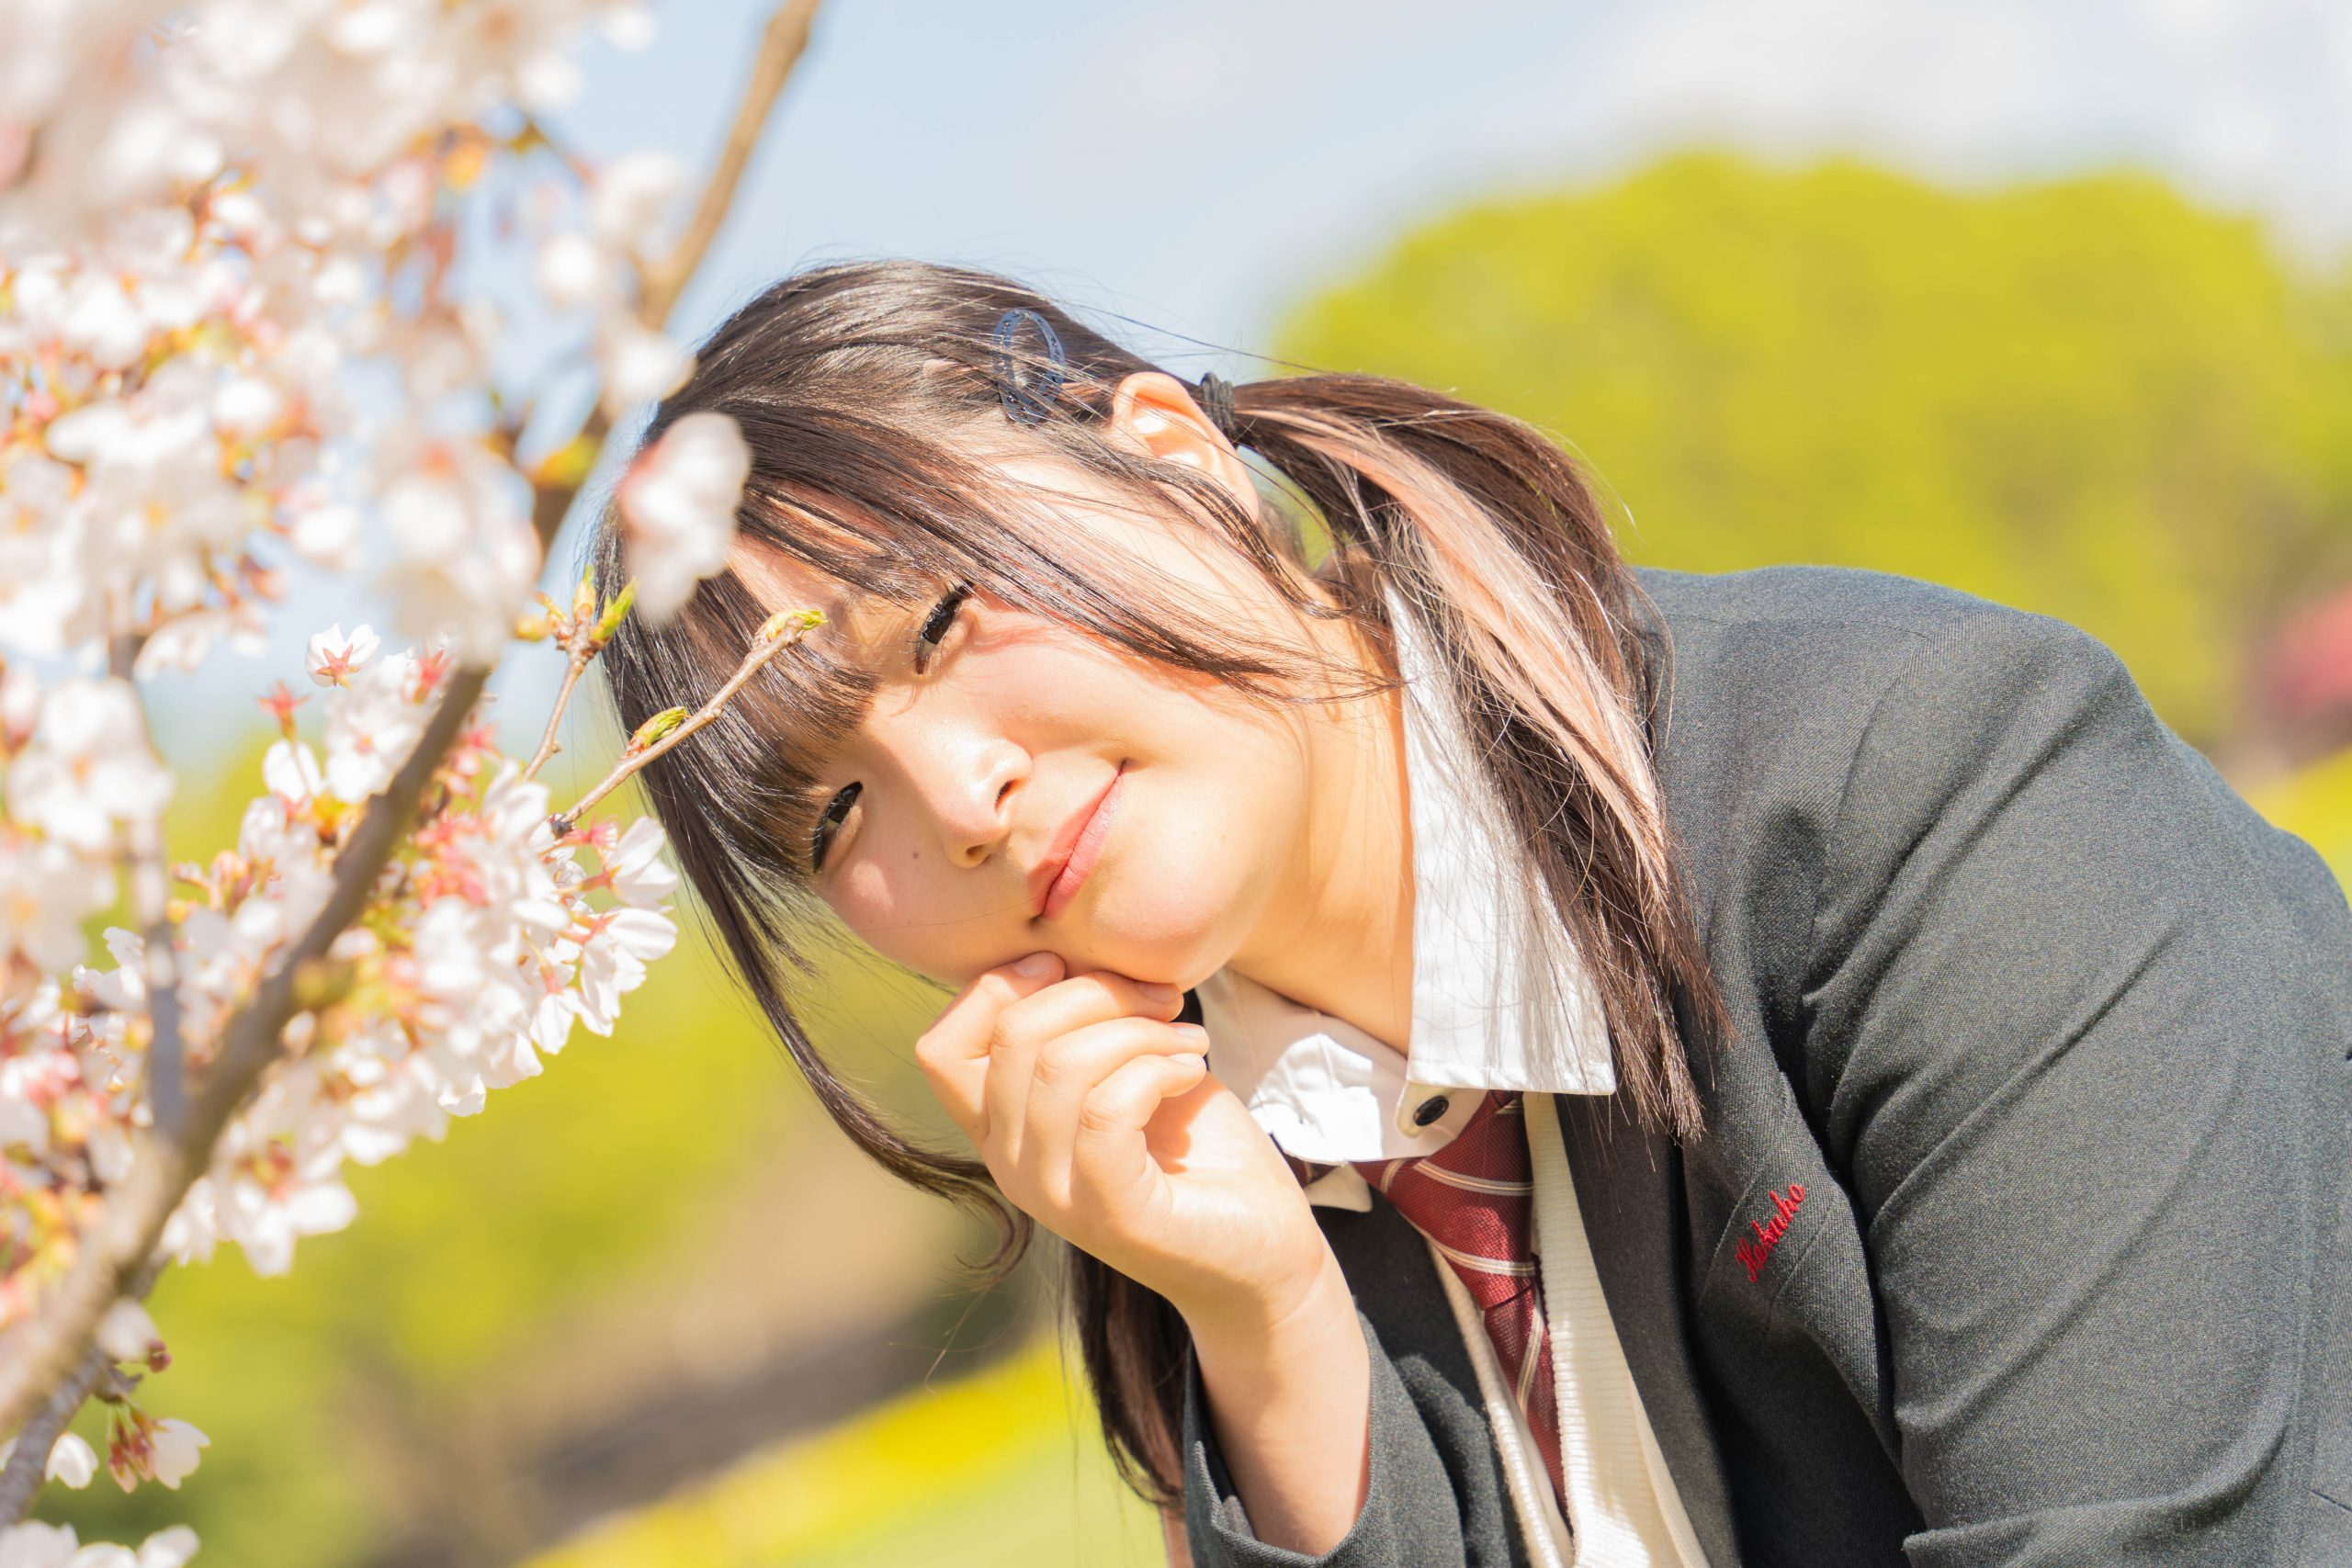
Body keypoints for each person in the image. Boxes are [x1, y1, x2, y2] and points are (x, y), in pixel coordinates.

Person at [589, 259, 2352, 1567]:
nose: (959, 800)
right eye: (834, 811)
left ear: (1177, 458)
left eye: (941, 627)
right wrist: (1269, 1328)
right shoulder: (1195, 1187)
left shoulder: (1918, 793)